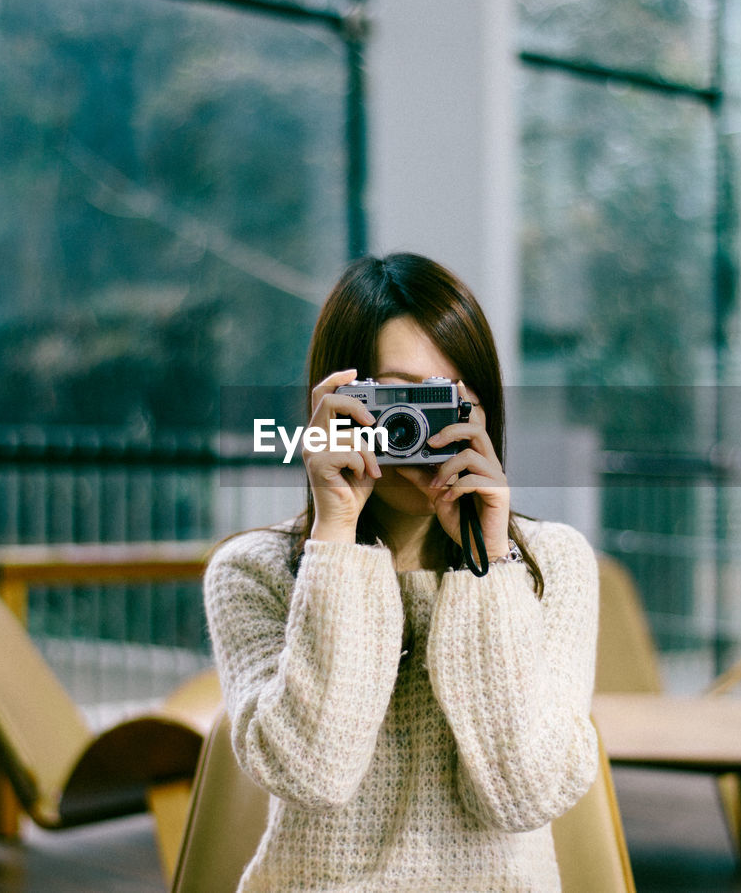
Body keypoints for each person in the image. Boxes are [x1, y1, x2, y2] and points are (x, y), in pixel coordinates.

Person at [204, 252, 599, 892]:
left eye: (450, 400)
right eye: (404, 399)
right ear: (339, 405)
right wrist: (334, 536)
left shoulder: (550, 564)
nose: (425, 428)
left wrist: (487, 563)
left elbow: (529, 792)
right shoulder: (254, 571)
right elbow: (312, 770)